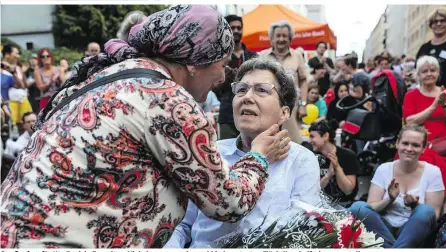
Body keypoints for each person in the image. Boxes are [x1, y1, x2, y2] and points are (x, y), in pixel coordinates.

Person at [0, 5, 290, 248]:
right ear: (195, 62)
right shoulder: (166, 99)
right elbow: (228, 202)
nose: (224, 76)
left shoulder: (115, 74)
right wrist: (258, 157)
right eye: (223, 64)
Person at [164, 58, 321, 248]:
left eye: (262, 90)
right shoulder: (209, 152)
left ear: (284, 113)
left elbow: (305, 230)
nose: (247, 97)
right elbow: (180, 223)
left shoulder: (301, 160)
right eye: (241, 89)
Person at [350, 125, 445, 248]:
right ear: (397, 144)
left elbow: (433, 215)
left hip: (413, 229)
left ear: (424, 148)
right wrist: (390, 199)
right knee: (358, 207)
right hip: (383, 228)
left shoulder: (433, 172)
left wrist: (414, 205)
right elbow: (372, 207)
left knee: (424, 210)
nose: (409, 149)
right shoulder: (384, 169)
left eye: (415, 145)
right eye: (405, 143)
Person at [402, 55, 446, 215]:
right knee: (425, 159)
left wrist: (445, 103)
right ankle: (426, 205)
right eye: (424, 71)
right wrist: (434, 105)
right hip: (421, 141)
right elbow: (410, 121)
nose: (429, 74)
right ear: (418, 75)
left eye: (432, 70)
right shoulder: (411, 95)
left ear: (438, 73)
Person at [259, 20, 308, 144]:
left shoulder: (297, 56)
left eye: (285, 36)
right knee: (269, 142)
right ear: (272, 39)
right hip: (267, 108)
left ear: (290, 38)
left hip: (292, 108)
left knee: (294, 142)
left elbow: (303, 82)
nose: (281, 39)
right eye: (278, 36)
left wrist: (303, 104)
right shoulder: (262, 56)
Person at [212, 15, 257, 140]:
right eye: (232, 28)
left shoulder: (253, 56)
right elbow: (213, 86)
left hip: (251, 112)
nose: (236, 31)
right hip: (227, 114)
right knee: (227, 154)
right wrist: (226, 80)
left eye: (239, 28)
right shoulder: (218, 57)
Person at [306, 120, 360, 205]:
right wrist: (329, 175)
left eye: (312, 137)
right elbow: (312, 190)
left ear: (325, 136)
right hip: (319, 204)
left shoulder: (347, 156)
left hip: (344, 204)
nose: (309, 141)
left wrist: (337, 167)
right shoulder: (311, 156)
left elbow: (348, 190)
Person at [416, 8, 446, 106]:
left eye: (442, 20)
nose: (438, 24)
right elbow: (418, 73)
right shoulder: (424, 49)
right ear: (431, 25)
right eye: (435, 21)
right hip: (429, 101)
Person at [1, 45, 32, 128]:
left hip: (22, 99)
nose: (18, 56)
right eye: (16, 53)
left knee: (26, 123)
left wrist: (14, 72)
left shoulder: (18, 68)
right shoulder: (2, 68)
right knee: (13, 126)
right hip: (9, 102)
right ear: (7, 54)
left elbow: (23, 85)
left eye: (18, 54)